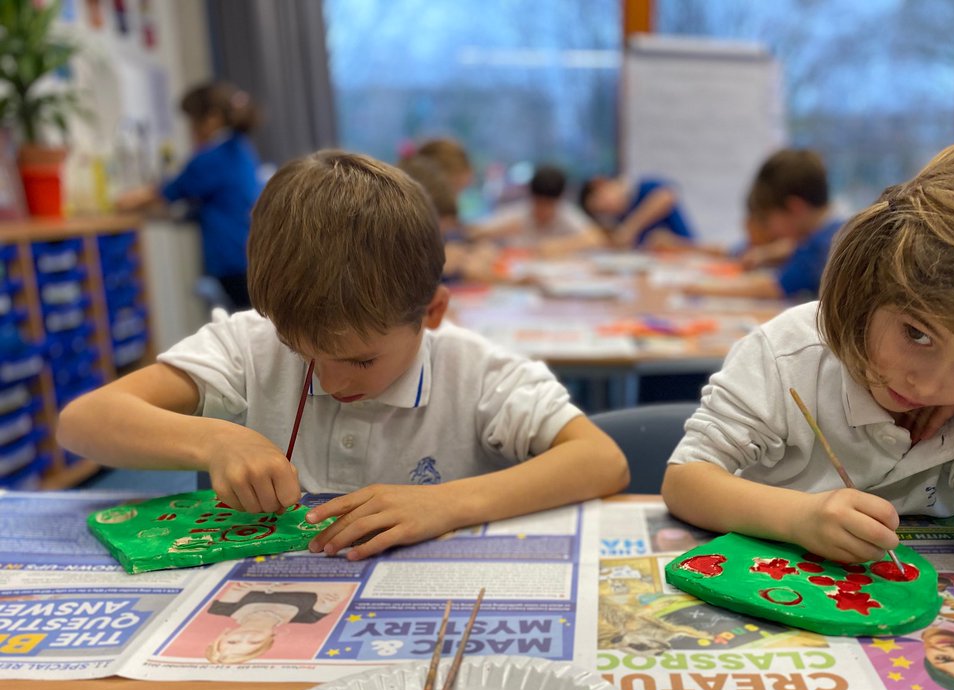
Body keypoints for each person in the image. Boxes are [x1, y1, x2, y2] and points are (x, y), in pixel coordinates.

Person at [58, 150, 630, 561]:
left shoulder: (476, 372)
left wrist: (448, 504)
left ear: (431, 313)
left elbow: (602, 461)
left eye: (359, 361)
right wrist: (216, 439)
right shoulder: (249, 345)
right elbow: (81, 423)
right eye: (299, 350)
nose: (329, 380)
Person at [662, 133, 954, 577]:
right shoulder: (791, 354)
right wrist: (800, 517)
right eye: (917, 334)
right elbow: (685, 481)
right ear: (874, 280)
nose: (925, 385)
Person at [116, 81, 262, 311]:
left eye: (193, 121)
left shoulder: (212, 157)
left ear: (212, 118)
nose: (191, 129)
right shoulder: (239, 148)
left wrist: (122, 201)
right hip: (250, 254)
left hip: (233, 260)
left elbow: (165, 192)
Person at [684, 148, 842, 301]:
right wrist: (765, 254)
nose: (771, 229)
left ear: (795, 208)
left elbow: (774, 288)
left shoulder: (823, 246)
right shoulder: (831, 230)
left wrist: (702, 288)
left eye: (768, 218)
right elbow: (791, 248)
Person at [470, 164, 606, 256]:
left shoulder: (565, 213)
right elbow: (472, 232)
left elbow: (596, 238)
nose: (542, 211)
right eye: (538, 204)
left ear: (558, 201)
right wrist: (496, 231)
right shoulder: (519, 214)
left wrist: (558, 246)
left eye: (548, 205)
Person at [203, 584, 346, 664]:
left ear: (225, 633)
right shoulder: (309, 617)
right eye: (254, 642)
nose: (247, 636)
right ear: (271, 639)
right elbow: (341, 587)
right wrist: (269, 588)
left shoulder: (220, 609)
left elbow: (240, 581)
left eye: (233, 641)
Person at [579, 174, 695, 249]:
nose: (608, 209)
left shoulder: (644, 188)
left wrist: (630, 228)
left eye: (603, 202)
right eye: (603, 211)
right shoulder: (621, 218)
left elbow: (666, 196)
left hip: (688, 251)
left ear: (601, 183)